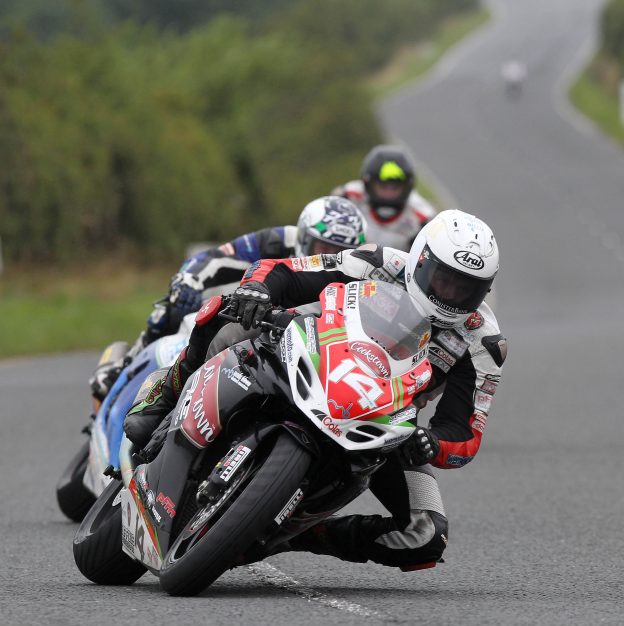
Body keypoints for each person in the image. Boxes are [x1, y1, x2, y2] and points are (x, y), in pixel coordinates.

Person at [125, 209, 506, 572]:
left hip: (386, 420)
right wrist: (257, 289)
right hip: (309, 349)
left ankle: (299, 533)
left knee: (426, 536)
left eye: (465, 288)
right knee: (226, 316)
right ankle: (166, 397)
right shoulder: (378, 262)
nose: (451, 294)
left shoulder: (483, 341)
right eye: (444, 279)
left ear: (484, 290)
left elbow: (465, 432)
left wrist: (433, 443)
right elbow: (286, 271)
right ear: (420, 260)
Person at [89, 196, 367, 402]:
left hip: (302, 344)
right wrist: (189, 281)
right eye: (323, 247)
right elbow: (217, 257)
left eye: (340, 250)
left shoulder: (357, 270)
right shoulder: (280, 239)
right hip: (242, 313)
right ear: (305, 239)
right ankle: (123, 371)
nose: (328, 256)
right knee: (176, 308)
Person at [332, 144, 436, 252]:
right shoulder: (347, 197)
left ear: (407, 187)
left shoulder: (423, 218)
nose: (388, 193)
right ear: (368, 183)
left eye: (395, 187)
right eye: (382, 186)